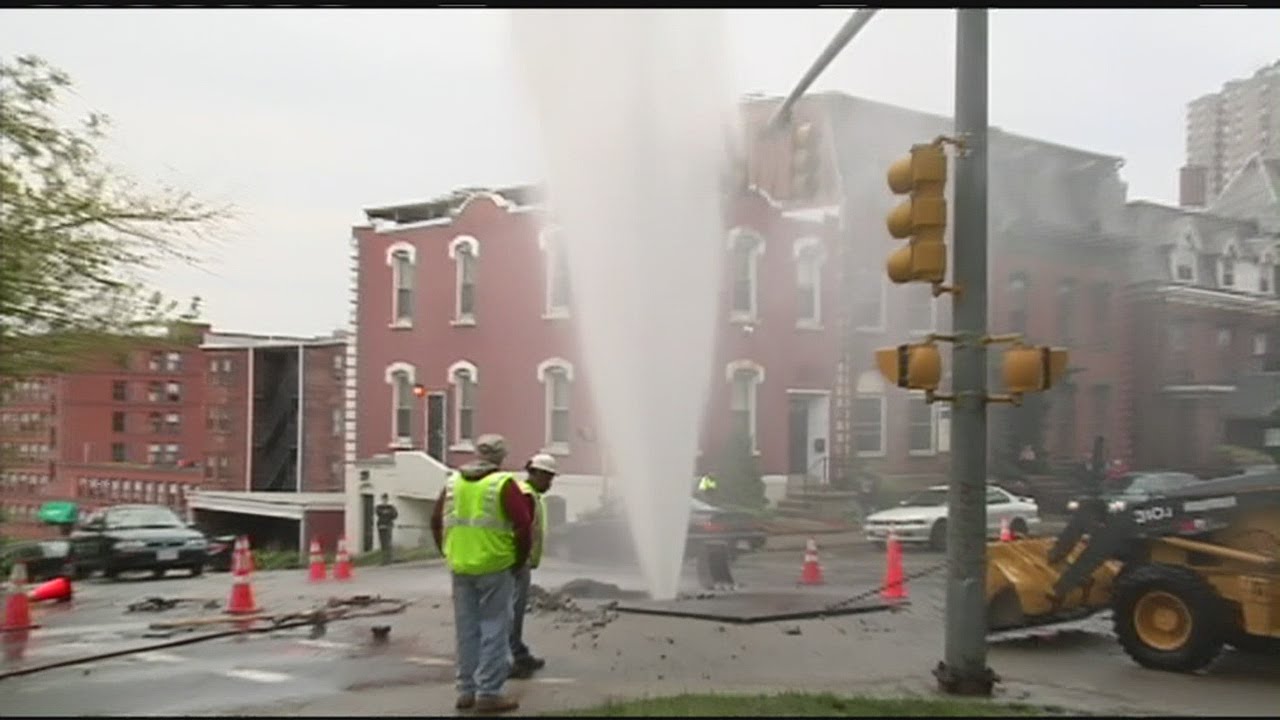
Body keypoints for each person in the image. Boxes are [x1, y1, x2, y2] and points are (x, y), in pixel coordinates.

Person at [430, 434, 532, 714]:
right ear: (501, 456)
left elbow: (435, 519)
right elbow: (523, 525)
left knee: (467, 629)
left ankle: (466, 690)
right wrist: (519, 560)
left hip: (461, 565)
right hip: (495, 565)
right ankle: (488, 692)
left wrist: (448, 552)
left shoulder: (454, 482)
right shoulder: (502, 484)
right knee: (495, 628)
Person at [510, 452, 559, 679]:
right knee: (512, 613)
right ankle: (512, 658)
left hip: (521, 562)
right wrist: (520, 561)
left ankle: (517, 652)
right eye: (547, 477)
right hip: (517, 564)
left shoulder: (530, 495)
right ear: (535, 473)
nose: (549, 483)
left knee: (515, 612)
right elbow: (520, 530)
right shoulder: (525, 495)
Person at [375, 493, 398, 566]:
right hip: (381, 525)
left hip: (388, 525)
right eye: (383, 499)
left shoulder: (391, 507)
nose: (384, 500)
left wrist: (386, 513)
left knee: (388, 542)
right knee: (382, 543)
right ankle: (383, 560)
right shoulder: (379, 507)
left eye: (385, 499)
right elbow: (378, 513)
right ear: (382, 499)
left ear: (387, 499)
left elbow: (394, 515)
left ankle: (389, 559)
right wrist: (387, 513)